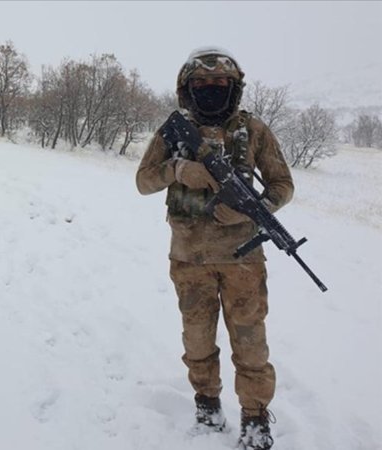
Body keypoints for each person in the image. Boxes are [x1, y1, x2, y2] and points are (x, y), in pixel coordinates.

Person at [135, 47, 293, 450]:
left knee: (250, 342)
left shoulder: (253, 130)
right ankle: (207, 404)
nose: (210, 90)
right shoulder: (173, 131)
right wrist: (177, 169)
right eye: (201, 84)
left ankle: (255, 418)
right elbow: (143, 181)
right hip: (189, 259)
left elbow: (282, 185)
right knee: (197, 340)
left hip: (243, 260)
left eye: (219, 84)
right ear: (188, 89)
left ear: (233, 87)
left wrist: (251, 213)